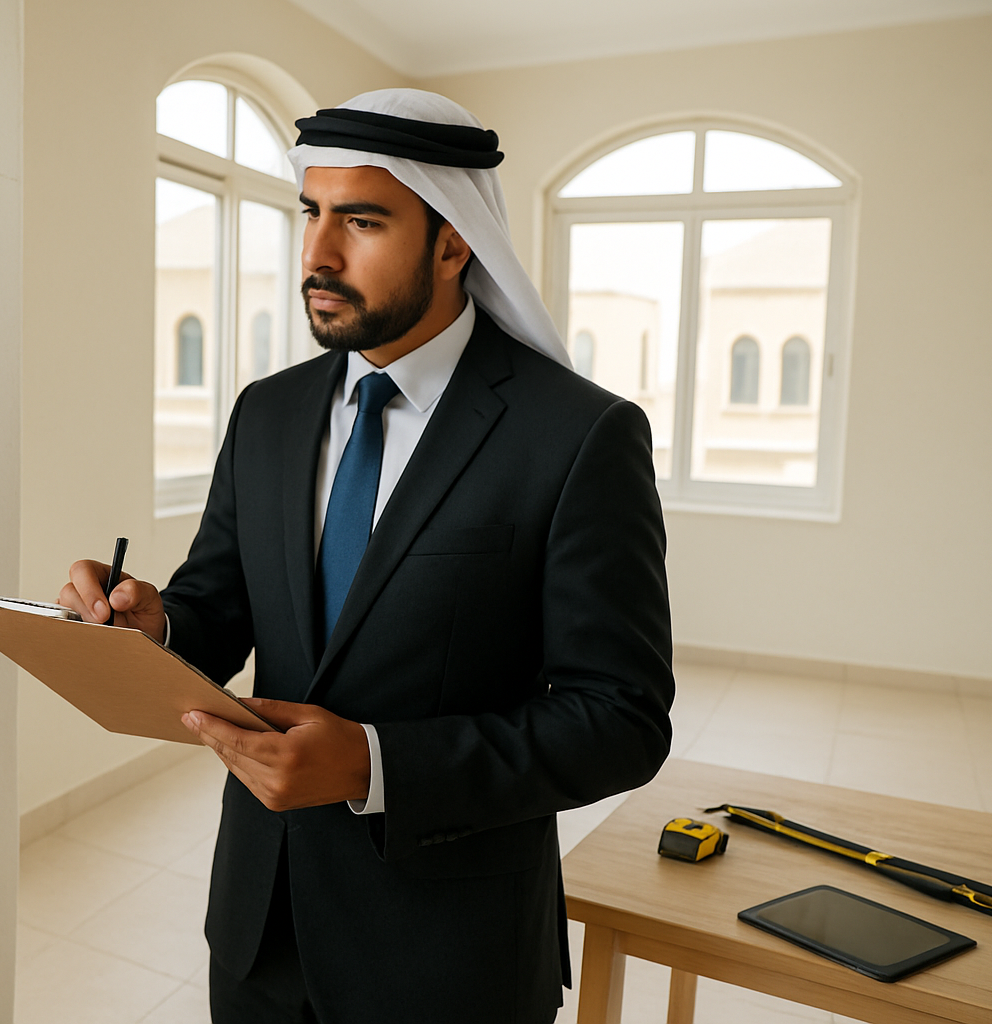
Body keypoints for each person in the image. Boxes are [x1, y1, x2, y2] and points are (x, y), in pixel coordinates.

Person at [60, 88, 673, 1024]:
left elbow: (621, 718)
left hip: (449, 959)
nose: (318, 253)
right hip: (260, 928)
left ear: (453, 242)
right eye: (311, 212)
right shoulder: (267, 412)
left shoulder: (578, 436)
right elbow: (218, 609)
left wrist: (377, 764)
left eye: (362, 221)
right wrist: (158, 625)